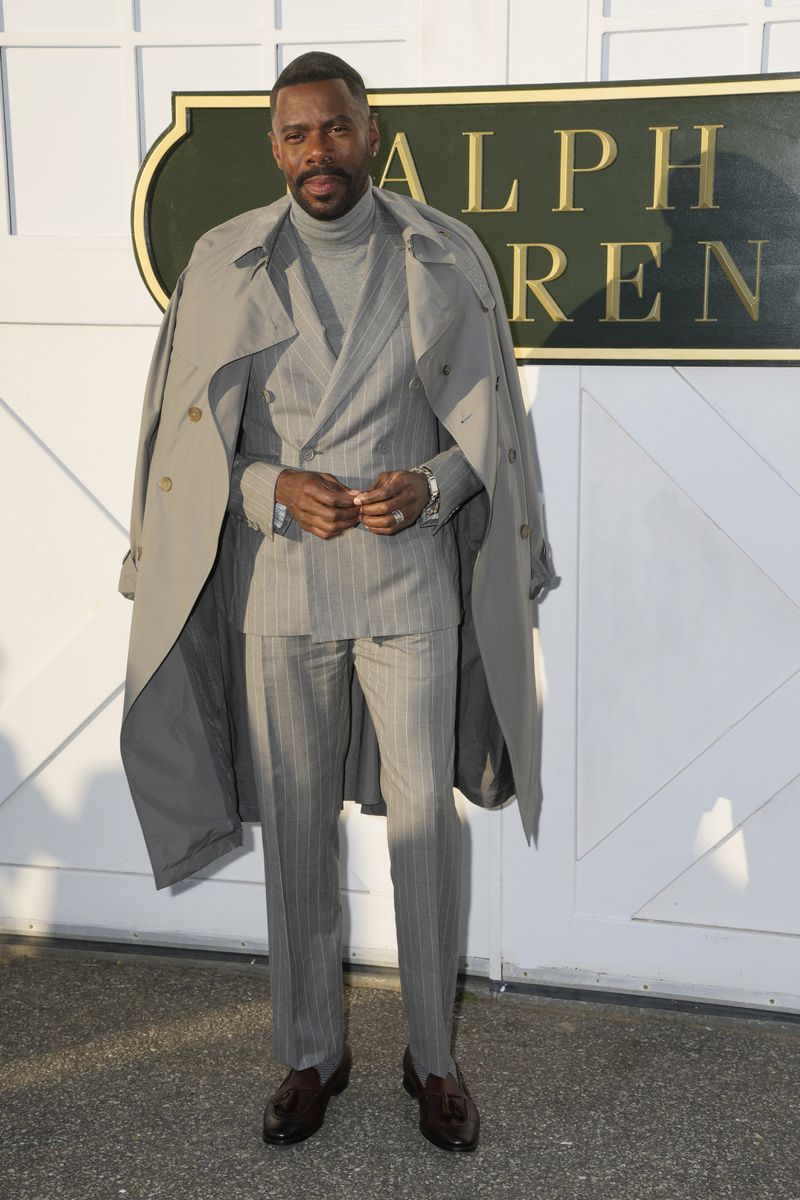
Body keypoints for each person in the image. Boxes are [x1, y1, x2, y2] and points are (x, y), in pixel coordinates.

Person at [119, 51, 554, 1154]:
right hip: (279, 593)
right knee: (298, 836)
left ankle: (433, 1059)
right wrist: (270, 491)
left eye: (337, 129)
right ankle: (310, 1053)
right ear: (276, 148)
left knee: (422, 835)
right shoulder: (223, 263)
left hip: (409, 587)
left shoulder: (443, 252)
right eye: (297, 135)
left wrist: (437, 485)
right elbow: (192, 434)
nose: (318, 151)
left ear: (371, 134)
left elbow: (489, 422)